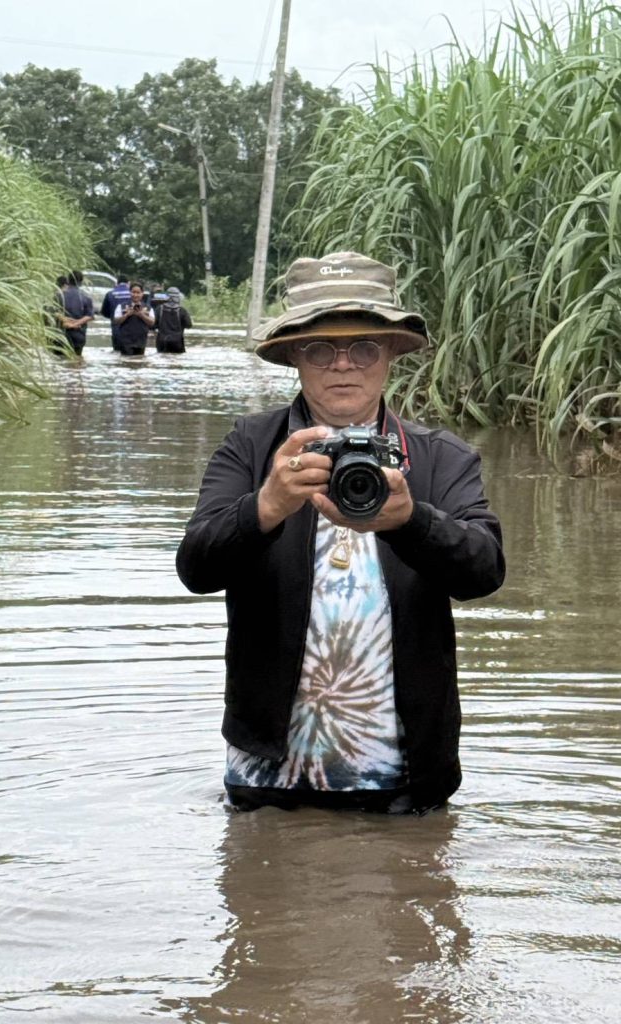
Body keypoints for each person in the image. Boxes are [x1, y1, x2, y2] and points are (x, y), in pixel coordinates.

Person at [176, 251, 505, 815]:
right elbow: (196, 569)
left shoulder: (439, 457)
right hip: (266, 773)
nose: (343, 364)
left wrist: (411, 520)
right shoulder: (254, 447)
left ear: (392, 354)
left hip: (405, 774)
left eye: (364, 347)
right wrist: (265, 506)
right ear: (296, 356)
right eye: (321, 347)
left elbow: (484, 571)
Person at [113, 281, 155, 355]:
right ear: (130, 293)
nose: (135, 295)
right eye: (133, 292)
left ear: (142, 293)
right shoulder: (122, 306)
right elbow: (116, 321)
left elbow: (152, 322)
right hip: (126, 341)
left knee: (139, 361)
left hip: (141, 341)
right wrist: (127, 314)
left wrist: (141, 315)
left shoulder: (148, 308)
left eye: (138, 292)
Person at [58, 271, 94, 357]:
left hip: (61, 334)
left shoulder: (59, 295)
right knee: (76, 361)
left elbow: (54, 312)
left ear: (68, 280)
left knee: (60, 360)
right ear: (81, 281)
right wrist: (76, 324)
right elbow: (90, 316)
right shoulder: (86, 297)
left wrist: (66, 322)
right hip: (78, 334)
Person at [154, 286, 192, 353]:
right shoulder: (182, 311)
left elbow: (153, 325)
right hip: (177, 343)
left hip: (162, 342)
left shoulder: (159, 309)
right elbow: (189, 325)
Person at [101, 275, 131, 351]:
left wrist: (112, 317)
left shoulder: (110, 294)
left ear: (116, 283)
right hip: (132, 330)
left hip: (116, 328)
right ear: (128, 283)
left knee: (117, 353)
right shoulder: (135, 294)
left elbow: (104, 312)